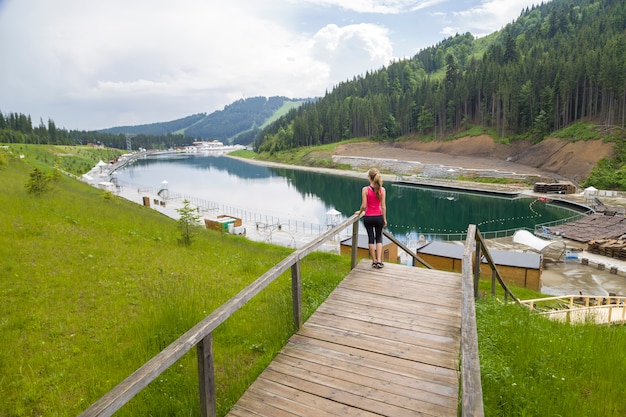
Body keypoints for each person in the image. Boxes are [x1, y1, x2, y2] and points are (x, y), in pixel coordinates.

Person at [356, 168, 387, 268]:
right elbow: (383, 206)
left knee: (371, 238)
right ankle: (379, 260)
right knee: (379, 238)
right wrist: (384, 219)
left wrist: (360, 212)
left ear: (369, 178)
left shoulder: (365, 190)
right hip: (379, 217)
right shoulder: (382, 190)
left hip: (368, 217)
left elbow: (364, 206)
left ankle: (373, 261)